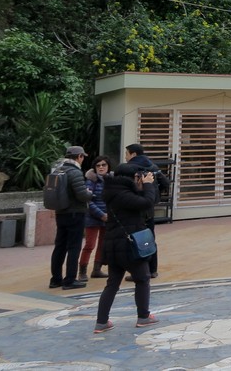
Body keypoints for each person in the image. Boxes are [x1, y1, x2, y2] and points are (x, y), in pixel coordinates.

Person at [94, 163, 160, 333]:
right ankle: (143, 317)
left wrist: (143, 186)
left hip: (113, 244)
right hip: (128, 245)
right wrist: (148, 185)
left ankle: (102, 321)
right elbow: (147, 203)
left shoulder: (114, 191)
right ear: (132, 178)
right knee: (143, 278)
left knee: (112, 283)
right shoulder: (122, 194)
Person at [50, 145, 93, 290]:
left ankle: (55, 279)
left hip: (60, 212)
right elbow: (81, 194)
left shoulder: (58, 169)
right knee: (74, 247)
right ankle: (70, 280)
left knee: (60, 246)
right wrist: (90, 193)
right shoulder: (75, 172)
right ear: (79, 157)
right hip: (75, 213)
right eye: (82, 157)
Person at [124, 143, 168, 278]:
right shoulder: (152, 167)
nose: (125, 157)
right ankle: (152, 269)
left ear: (133, 154)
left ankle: (140, 271)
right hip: (149, 208)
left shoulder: (129, 169)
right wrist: (154, 195)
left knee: (136, 239)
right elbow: (165, 183)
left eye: (127, 153)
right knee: (150, 237)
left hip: (136, 208)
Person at [79, 155, 112, 281]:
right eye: (98, 165)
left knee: (102, 244)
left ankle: (97, 269)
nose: (101, 167)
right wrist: (101, 215)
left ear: (108, 167)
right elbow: (88, 201)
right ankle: (82, 271)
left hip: (107, 217)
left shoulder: (111, 179)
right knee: (89, 245)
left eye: (104, 165)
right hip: (93, 217)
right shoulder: (90, 180)